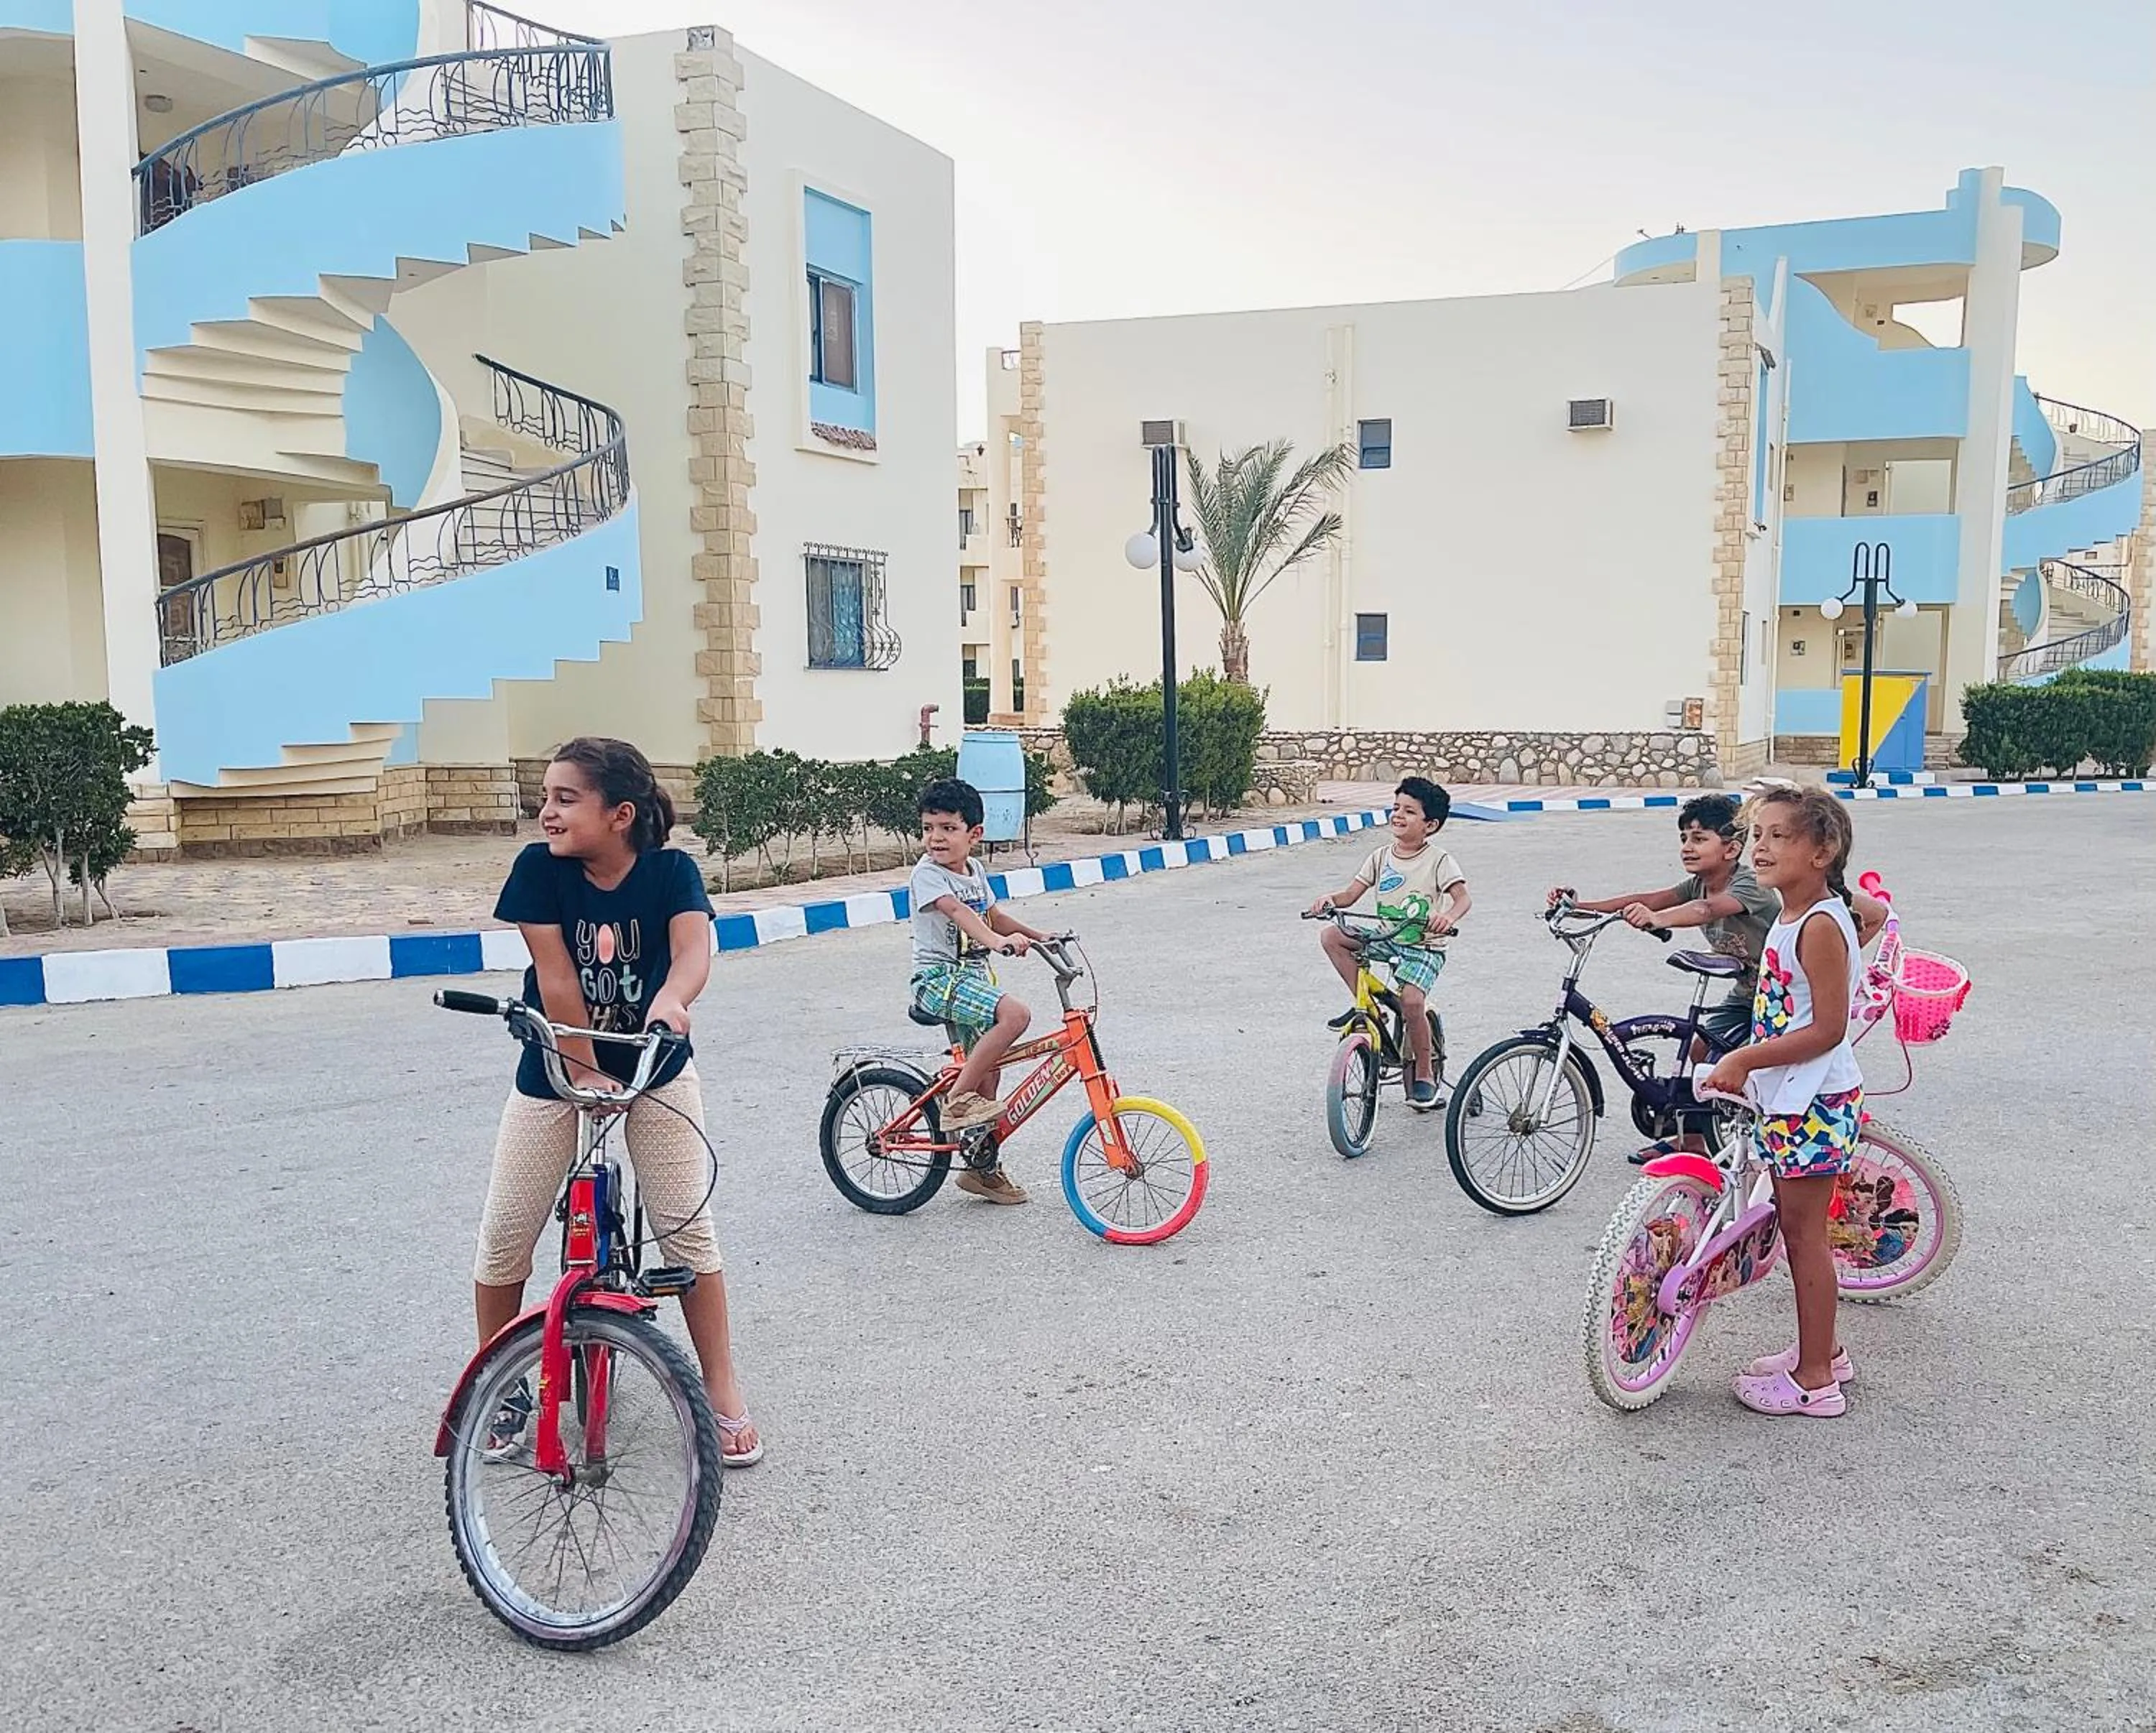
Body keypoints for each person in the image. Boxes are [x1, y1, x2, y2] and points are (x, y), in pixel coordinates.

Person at [474, 736, 761, 1467]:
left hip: (655, 1069)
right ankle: (500, 1385)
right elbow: (557, 976)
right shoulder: (538, 870)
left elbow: (694, 951)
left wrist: (670, 999)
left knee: (686, 1232)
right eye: (545, 798)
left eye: (565, 799)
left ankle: (722, 1388)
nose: (547, 812)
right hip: (556, 1071)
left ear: (621, 814)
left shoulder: (671, 872)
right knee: (507, 1232)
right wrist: (583, 1067)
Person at [1700, 784, 1866, 1419]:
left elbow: (1828, 1028)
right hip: (1795, 1096)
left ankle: (1815, 1379)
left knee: (1804, 1235)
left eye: (1779, 836)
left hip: (1815, 1101)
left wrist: (1743, 1059)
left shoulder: (1821, 924)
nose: (1761, 847)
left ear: (1822, 851)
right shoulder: (1793, 915)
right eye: (1758, 834)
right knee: (1800, 1231)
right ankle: (1825, 1350)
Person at [908, 776, 1055, 1201]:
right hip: (937, 981)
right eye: (928, 828)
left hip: (972, 980)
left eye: (948, 829)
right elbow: (957, 913)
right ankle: (954, 1101)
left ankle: (981, 1169)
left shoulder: (973, 871)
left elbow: (991, 915)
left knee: (989, 1082)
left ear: (974, 834)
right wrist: (997, 943)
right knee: (1017, 1015)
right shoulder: (929, 876)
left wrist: (1038, 936)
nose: (935, 838)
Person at [1549, 792, 1775, 1060]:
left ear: (1732, 850)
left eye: (1699, 839)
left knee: (1752, 1063)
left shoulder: (1751, 885)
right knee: (1700, 1052)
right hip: (1746, 992)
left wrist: (1658, 919)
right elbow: (1650, 900)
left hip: (1778, 994)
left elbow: (1707, 909)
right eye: (1684, 839)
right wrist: (1578, 907)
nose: (1687, 848)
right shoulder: (1697, 885)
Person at [1306, 776, 1470, 1111]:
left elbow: (1463, 899)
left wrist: (1449, 917)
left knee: (1412, 1002)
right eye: (1396, 807)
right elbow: (1351, 895)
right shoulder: (1381, 857)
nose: (1398, 815)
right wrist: (1329, 900)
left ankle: (1424, 1074)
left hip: (1424, 946)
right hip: (1386, 938)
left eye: (1409, 811)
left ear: (1430, 825)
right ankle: (1368, 1005)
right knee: (1332, 936)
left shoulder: (1439, 861)